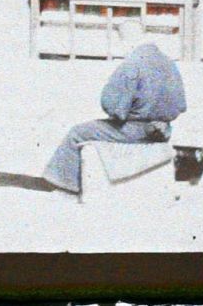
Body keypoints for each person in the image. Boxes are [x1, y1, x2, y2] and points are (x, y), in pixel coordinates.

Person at [39, 15, 187, 198]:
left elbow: (113, 107)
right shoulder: (168, 62)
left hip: (136, 131)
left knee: (77, 132)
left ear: (126, 39)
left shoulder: (133, 62)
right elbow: (181, 105)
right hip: (163, 130)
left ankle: (66, 189)